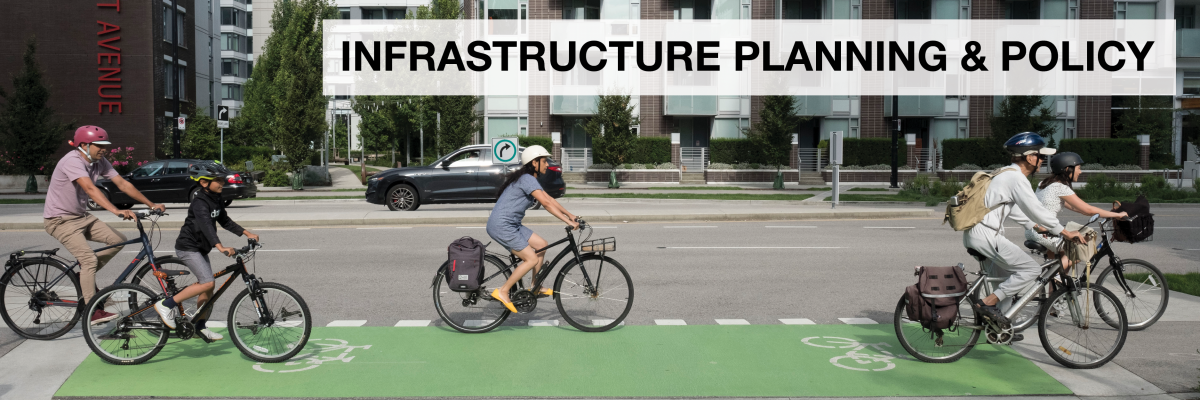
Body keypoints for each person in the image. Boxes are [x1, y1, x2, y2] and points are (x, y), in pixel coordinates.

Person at [963, 132, 1085, 333]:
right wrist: (1063, 232)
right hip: (986, 236)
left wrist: (1036, 227)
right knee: (1032, 270)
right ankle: (986, 303)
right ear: (1030, 157)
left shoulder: (1004, 173)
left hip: (976, 234)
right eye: (1041, 157)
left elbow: (1016, 210)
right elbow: (1036, 209)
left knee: (1005, 285)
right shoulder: (1016, 178)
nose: (1042, 161)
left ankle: (999, 329)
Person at [44, 126, 165, 325]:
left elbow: (123, 184)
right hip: (59, 220)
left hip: (80, 216)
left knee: (118, 240)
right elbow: (90, 188)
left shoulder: (98, 162)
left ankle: (84, 277)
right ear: (84, 145)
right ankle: (91, 311)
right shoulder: (72, 161)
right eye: (99, 146)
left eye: (105, 145)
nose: (104, 149)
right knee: (89, 260)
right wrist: (115, 210)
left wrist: (151, 204)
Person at [153, 164, 259, 341]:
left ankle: (200, 327)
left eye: (222, 179)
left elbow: (224, 220)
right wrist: (220, 246)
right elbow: (206, 225)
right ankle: (166, 304)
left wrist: (246, 233)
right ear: (203, 183)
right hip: (188, 247)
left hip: (201, 248)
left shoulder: (216, 197)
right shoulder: (200, 202)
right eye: (218, 180)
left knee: (208, 289)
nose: (222, 183)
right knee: (208, 283)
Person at [485, 145, 578, 313]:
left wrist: (570, 215)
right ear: (534, 163)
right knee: (531, 259)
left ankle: (535, 286)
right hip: (502, 225)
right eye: (544, 161)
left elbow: (549, 198)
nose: (547, 165)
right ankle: (503, 291)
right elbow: (547, 204)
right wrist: (567, 221)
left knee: (541, 244)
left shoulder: (529, 179)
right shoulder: (527, 179)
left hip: (512, 224)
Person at [1024, 152, 1127, 271]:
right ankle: (1053, 274)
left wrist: (1109, 213)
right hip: (1044, 233)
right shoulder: (1060, 187)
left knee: (1060, 260)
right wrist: (1118, 215)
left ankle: (1056, 285)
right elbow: (1088, 210)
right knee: (1083, 249)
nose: (1081, 171)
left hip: (1034, 230)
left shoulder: (1044, 184)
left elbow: (1078, 209)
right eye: (1078, 168)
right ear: (1067, 169)